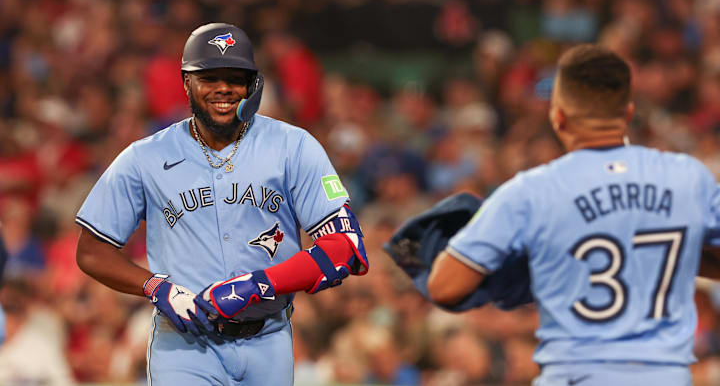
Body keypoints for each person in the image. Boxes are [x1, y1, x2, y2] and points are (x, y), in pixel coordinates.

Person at [74, 23, 368, 386]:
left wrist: (257, 285)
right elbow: (91, 251)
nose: (224, 88)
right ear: (186, 82)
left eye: (235, 77)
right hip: (184, 345)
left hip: (269, 338)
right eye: (209, 77)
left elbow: (346, 248)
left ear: (253, 84)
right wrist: (154, 286)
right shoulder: (145, 158)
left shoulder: (293, 146)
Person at [426, 44, 720, 386]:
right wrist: (656, 253)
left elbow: (445, 287)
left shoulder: (531, 191)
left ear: (558, 116)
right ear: (627, 113)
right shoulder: (687, 177)